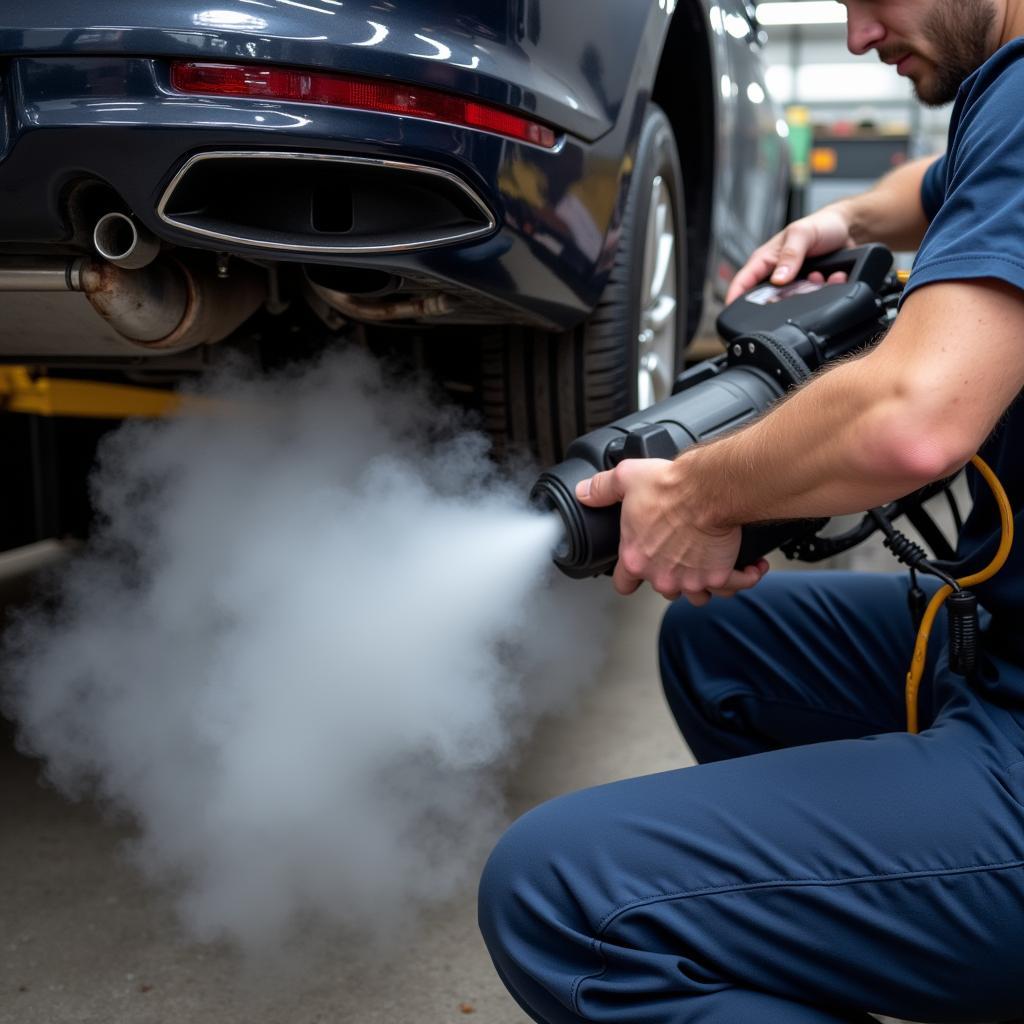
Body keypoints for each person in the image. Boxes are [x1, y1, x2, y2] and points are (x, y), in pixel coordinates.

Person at [478, 1, 1024, 1021]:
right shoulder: (1002, 99)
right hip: (1000, 644)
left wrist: (701, 489)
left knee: (558, 896)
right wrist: (842, 222)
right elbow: (942, 186)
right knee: (720, 642)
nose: (858, 34)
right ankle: (858, 929)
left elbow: (913, 419)